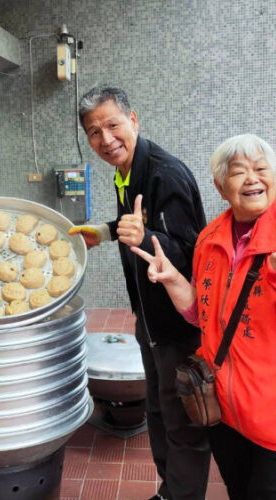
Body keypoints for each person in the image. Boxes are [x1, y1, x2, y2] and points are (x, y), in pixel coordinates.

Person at [132, 134, 276, 500]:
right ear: (220, 185)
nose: (252, 179)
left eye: (261, 169)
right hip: (226, 415)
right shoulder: (210, 238)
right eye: (238, 172)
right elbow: (201, 315)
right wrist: (172, 279)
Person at [69, 86, 210, 500]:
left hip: (177, 320)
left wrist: (144, 236)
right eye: (94, 132)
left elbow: (189, 252)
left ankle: (182, 495)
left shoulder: (166, 173)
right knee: (158, 409)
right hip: (149, 316)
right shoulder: (126, 170)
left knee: (182, 416)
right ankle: (170, 490)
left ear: (134, 120)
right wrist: (107, 231)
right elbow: (135, 221)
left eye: (112, 125)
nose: (105, 139)